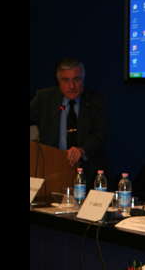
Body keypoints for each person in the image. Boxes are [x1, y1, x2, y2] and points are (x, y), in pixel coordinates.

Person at [29, 57, 107, 186]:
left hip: (87, 170)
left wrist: (82, 150)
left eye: (76, 79)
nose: (71, 86)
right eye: (65, 80)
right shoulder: (44, 98)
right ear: (58, 81)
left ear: (83, 79)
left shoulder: (96, 100)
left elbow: (100, 134)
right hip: (51, 168)